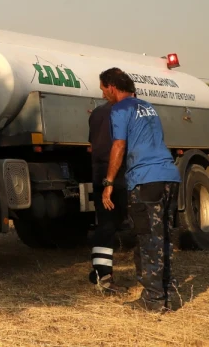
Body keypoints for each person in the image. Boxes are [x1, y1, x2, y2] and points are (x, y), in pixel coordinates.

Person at [99, 67, 182, 313]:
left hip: (146, 180)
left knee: (148, 239)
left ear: (112, 87)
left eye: (103, 89)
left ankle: (153, 300)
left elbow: (119, 145)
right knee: (164, 236)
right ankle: (168, 292)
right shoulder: (148, 107)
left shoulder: (120, 109)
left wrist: (109, 182)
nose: (103, 95)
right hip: (168, 176)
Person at [88, 90, 128, 291]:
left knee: (105, 224)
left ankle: (100, 271)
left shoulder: (96, 114)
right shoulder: (125, 112)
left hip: (99, 174)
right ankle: (102, 274)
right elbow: (120, 145)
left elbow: (92, 145)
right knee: (112, 224)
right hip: (118, 176)